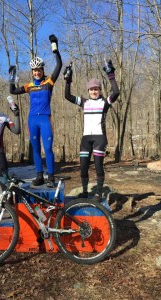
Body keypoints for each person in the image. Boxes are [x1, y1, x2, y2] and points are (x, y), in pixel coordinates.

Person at [9, 34, 62, 188]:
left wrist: (54, 45)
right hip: (32, 120)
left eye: (39, 70)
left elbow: (59, 64)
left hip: (45, 119)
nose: (37, 72)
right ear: (32, 72)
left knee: (48, 148)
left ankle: (51, 177)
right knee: (36, 149)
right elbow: (12, 90)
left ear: (42, 70)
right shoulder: (29, 86)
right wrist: (12, 75)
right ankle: (39, 176)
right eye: (34, 70)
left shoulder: (49, 82)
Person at [64, 60, 120, 201]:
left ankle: (99, 193)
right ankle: (84, 192)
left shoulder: (105, 103)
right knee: (83, 168)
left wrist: (110, 74)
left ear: (100, 90)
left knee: (98, 166)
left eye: (96, 89)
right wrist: (68, 80)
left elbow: (116, 92)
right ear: (88, 91)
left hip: (99, 138)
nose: (94, 91)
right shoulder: (84, 102)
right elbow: (67, 96)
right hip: (85, 139)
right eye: (91, 89)